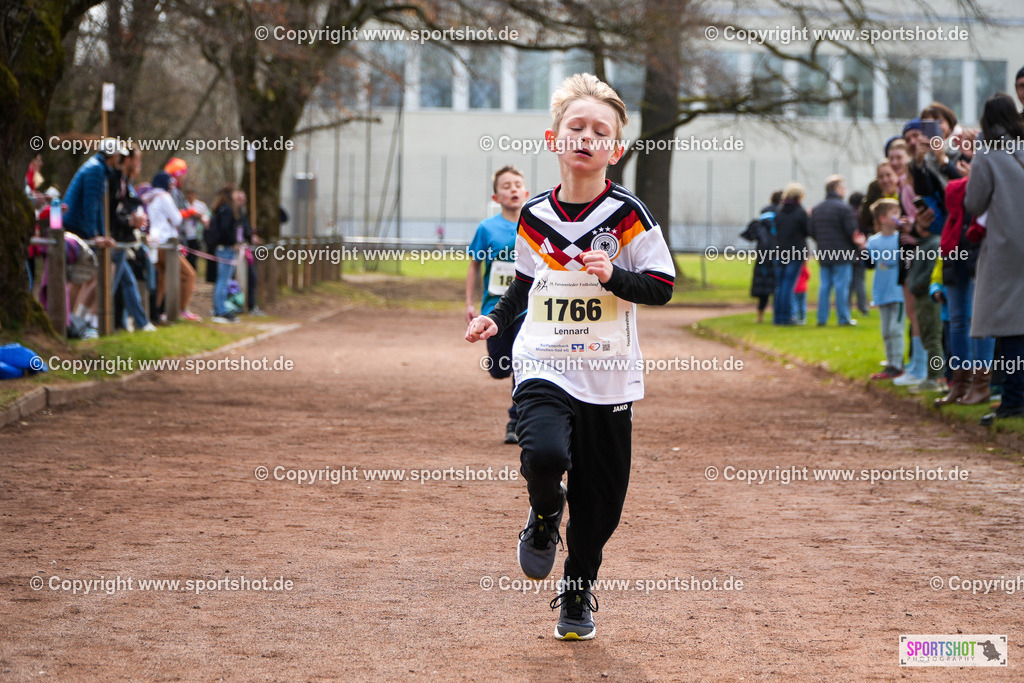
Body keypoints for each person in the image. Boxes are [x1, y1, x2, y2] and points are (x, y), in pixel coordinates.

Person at [465, 73, 674, 641]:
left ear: (616, 149)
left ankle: (578, 591)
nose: (585, 137)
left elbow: (661, 286)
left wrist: (616, 276)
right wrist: (494, 319)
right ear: (554, 139)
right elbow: (522, 287)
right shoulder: (534, 215)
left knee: (600, 507)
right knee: (545, 452)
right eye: (575, 127)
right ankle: (541, 515)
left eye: (598, 131)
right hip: (545, 360)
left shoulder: (629, 214)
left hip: (607, 375)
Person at [965, 93, 1024, 425]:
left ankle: (1014, 400)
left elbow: (974, 202)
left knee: (1011, 327)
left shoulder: (988, 153)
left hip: (1006, 247)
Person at [465, 165, 530, 443]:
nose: (512, 189)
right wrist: (470, 303)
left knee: (522, 361)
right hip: (495, 309)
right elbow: (474, 265)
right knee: (499, 367)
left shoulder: (534, 224)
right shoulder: (487, 228)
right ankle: (505, 369)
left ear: (526, 193)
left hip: (527, 307)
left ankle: (516, 422)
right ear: (496, 197)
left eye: (517, 185)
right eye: (506, 186)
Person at [935, 163, 993, 407]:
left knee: (980, 321)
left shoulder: (991, 183)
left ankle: (982, 384)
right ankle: (960, 383)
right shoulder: (956, 187)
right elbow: (946, 193)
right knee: (957, 320)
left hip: (979, 253)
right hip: (955, 255)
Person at [62, 138, 124, 333]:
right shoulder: (95, 169)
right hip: (75, 227)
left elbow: (98, 208)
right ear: (112, 155)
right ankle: (64, 322)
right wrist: (94, 235)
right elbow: (89, 206)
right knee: (78, 276)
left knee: (86, 275)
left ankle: (72, 321)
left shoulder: (100, 169)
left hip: (81, 227)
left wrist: (101, 234)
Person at [109, 147, 155, 332]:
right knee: (110, 285)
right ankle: (95, 321)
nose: (139, 164)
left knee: (128, 282)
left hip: (123, 240)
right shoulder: (116, 181)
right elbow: (113, 213)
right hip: (115, 240)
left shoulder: (124, 183)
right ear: (127, 160)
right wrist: (130, 220)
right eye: (137, 160)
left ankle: (141, 322)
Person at [809, 175, 863, 326]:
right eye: (843, 187)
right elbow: (852, 231)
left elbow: (812, 231)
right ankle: (843, 318)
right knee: (841, 287)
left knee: (824, 286)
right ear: (837, 189)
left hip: (824, 252)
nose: (845, 190)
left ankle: (822, 318)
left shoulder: (817, 208)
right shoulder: (844, 208)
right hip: (843, 253)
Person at [147, 171, 200, 322]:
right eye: (170, 183)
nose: (173, 186)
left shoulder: (151, 198)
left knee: (162, 278)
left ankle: (155, 313)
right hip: (166, 243)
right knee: (189, 275)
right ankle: (180, 309)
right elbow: (177, 219)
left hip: (155, 242)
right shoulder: (164, 197)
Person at [864, 199, 905, 380]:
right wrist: (862, 248)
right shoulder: (873, 241)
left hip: (898, 291)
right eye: (893, 214)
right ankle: (890, 363)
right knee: (886, 330)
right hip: (882, 290)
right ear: (882, 218)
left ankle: (898, 363)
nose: (898, 217)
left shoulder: (901, 239)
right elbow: (870, 264)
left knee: (896, 328)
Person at [905, 208, 944, 392]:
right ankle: (933, 377)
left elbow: (930, 271)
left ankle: (934, 378)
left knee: (932, 339)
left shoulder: (933, 243)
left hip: (928, 298)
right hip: (921, 297)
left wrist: (918, 286)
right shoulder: (924, 243)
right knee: (929, 339)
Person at [773, 184, 809, 325]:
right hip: (795, 252)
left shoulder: (779, 211)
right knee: (788, 285)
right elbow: (807, 231)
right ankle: (788, 317)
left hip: (779, 251)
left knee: (780, 285)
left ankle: (778, 317)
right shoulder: (800, 212)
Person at [208, 185, 245, 323]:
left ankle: (219, 308)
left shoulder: (222, 209)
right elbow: (225, 229)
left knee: (223, 280)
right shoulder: (227, 210)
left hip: (225, 248)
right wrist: (233, 242)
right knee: (223, 280)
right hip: (226, 248)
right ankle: (220, 310)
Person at [740, 200, 776, 324]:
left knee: (763, 290)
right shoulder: (779, 221)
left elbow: (747, 235)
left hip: (762, 260)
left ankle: (760, 317)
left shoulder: (760, 225)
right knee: (778, 288)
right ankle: (778, 316)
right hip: (778, 257)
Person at [847, 190, 869, 316]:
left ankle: (847, 305)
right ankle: (863, 307)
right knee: (860, 280)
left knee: (849, 282)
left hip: (848, 252)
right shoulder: (862, 216)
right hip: (861, 251)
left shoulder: (847, 214)